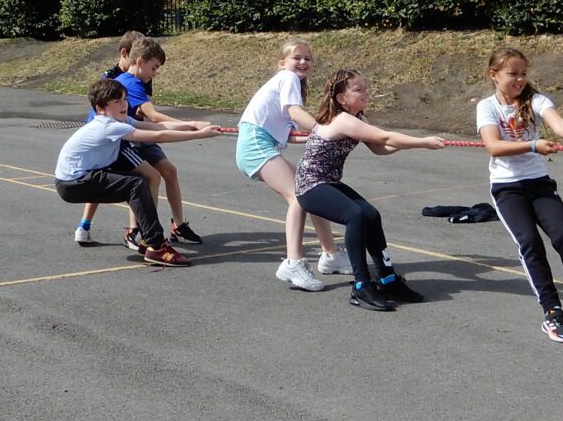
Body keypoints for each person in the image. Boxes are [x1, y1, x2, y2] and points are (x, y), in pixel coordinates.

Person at [477, 47, 563, 343]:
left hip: (539, 183)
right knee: (530, 242)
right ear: (494, 75)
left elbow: (560, 125)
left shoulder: (535, 100)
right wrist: (532, 145)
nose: (520, 79)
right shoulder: (487, 107)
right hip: (507, 187)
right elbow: (493, 146)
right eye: (513, 74)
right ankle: (552, 312)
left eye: (524, 73)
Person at [296, 69, 446, 311]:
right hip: (310, 185)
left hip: (329, 182)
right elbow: (385, 137)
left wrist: (408, 145)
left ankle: (387, 280)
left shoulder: (358, 119)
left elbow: (380, 147)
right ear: (342, 98)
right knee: (355, 215)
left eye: (365, 88)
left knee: (371, 215)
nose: (366, 93)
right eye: (358, 90)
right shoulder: (343, 120)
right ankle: (361, 285)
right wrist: (423, 142)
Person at [55, 79, 220, 266]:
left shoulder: (120, 120)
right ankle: (156, 246)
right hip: (73, 183)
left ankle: (148, 241)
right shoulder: (108, 126)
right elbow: (159, 136)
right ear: (100, 109)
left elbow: (158, 127)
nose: (123, 104)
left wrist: (192, 124)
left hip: (78, 180)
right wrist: (200, 135)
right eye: (116, 101)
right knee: (135, 184)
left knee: (139, 181)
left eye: (124, 99)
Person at [235, 39, 352, 291]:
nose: (302, 62)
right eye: (296, 57)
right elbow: (295, 113)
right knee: (299, 197)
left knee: (312, 190)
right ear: (282, 63)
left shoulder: (290, 85)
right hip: (255, 144)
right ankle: (293, 263)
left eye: (307, 58)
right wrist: (322, 130)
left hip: (263, 143)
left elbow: (290, 134)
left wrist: (322, 134)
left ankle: (331, 254)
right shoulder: (287, 78)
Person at [76, 37, 204, 249]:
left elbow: (143, 117)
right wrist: (191, 126)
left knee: (168, 171)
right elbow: (154, 117)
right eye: (154, 68)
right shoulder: (125, 81)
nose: (155, 73)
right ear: (137, 60)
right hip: (122, 137)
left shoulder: (140, 80)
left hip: (136, 128)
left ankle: (177, 226)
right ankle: (140, 231)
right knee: (144, 177)